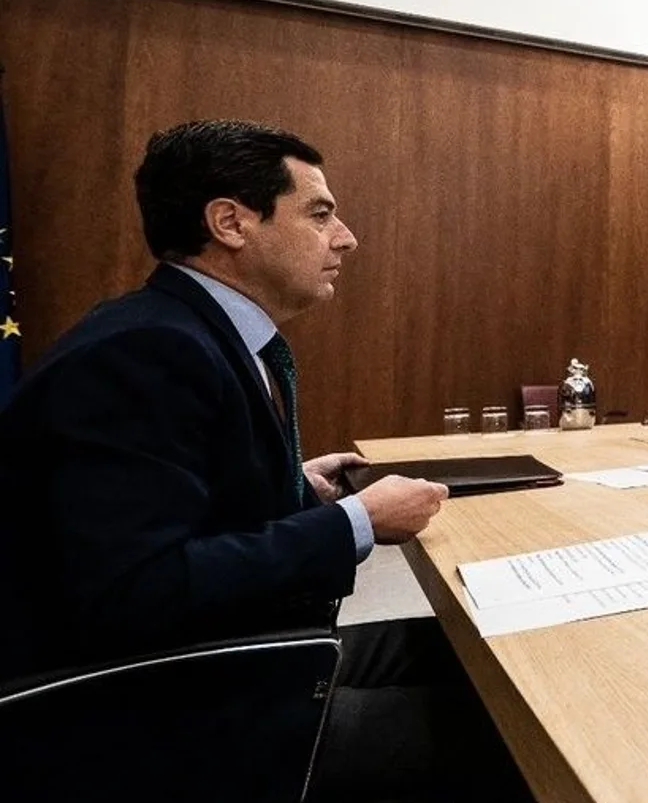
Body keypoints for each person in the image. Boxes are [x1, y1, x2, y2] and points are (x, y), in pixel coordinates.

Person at [0, 120, 527, 802]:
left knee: (485, 656)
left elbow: (173, 508)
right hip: (154, 708)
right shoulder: (145, 354)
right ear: (230, 222)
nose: (346, 237)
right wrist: (354, 522)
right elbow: (133, 591)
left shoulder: (186, 330)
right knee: (509, 735)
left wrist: (291, 487)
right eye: (320, 212)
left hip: (225, 652)